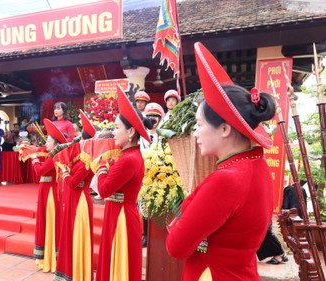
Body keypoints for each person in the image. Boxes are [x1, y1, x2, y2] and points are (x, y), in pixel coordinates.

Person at [166, 42, 277, 280]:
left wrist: (189, 204)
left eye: (200, 125)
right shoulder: (258, 166)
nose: (195, 133)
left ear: (225, 128)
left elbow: (176, 246)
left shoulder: (226, 180)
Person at [94, 87, 154, 281]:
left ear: (130, 131)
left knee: (118, 264)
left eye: (117, 127)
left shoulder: (129, 159)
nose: (113, 131)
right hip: (119, 213)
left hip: (121, 217)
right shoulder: (128, 155)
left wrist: (101, 165)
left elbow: (103, 190)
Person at [54, 110, 96, 281]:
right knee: (69, 234)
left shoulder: (87, 160)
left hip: (80, 202)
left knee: (76, 236)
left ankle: (77, 272)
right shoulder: (81, 158)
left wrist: (64, 172)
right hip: (75, 199)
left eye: (80, 138)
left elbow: (72, 182)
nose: (77, 141)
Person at [31, 118, 68, 272]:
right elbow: (43, 150)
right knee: (45, 222)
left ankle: (50, 257)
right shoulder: (53, 154)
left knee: (49, 222)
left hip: (50, 192)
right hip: (46, 190)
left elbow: (40, 171)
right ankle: (46, 256)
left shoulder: (55, 157)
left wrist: (34, 160)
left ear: (55, 144)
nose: (46, 144)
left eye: (48, 141)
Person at [139, 102, 165, 248]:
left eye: (155, 116)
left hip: (161, 175)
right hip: (145, 175)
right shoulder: (141, 136)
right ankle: (146, 235)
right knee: (145, 206)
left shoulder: (164, 134)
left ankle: (157, 235)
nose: (152, 119)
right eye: (149, 116)